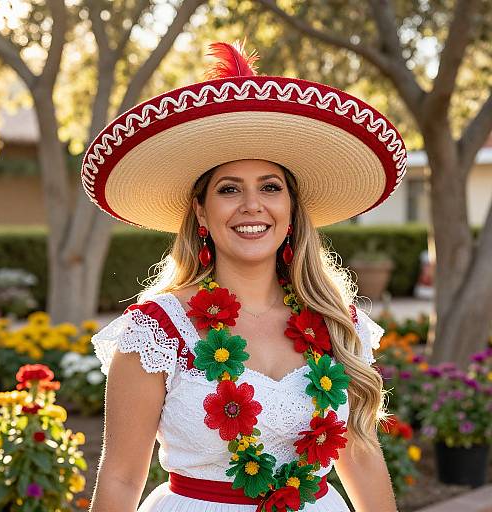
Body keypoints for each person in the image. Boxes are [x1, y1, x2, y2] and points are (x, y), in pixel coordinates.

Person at [83, 40, 406, 512]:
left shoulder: (337, 320)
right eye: (229, 189)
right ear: (201, 211)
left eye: (270, 188)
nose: (252, 206)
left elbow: (361, 454)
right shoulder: (157, 330)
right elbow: (118, 477)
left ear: (291, 210)